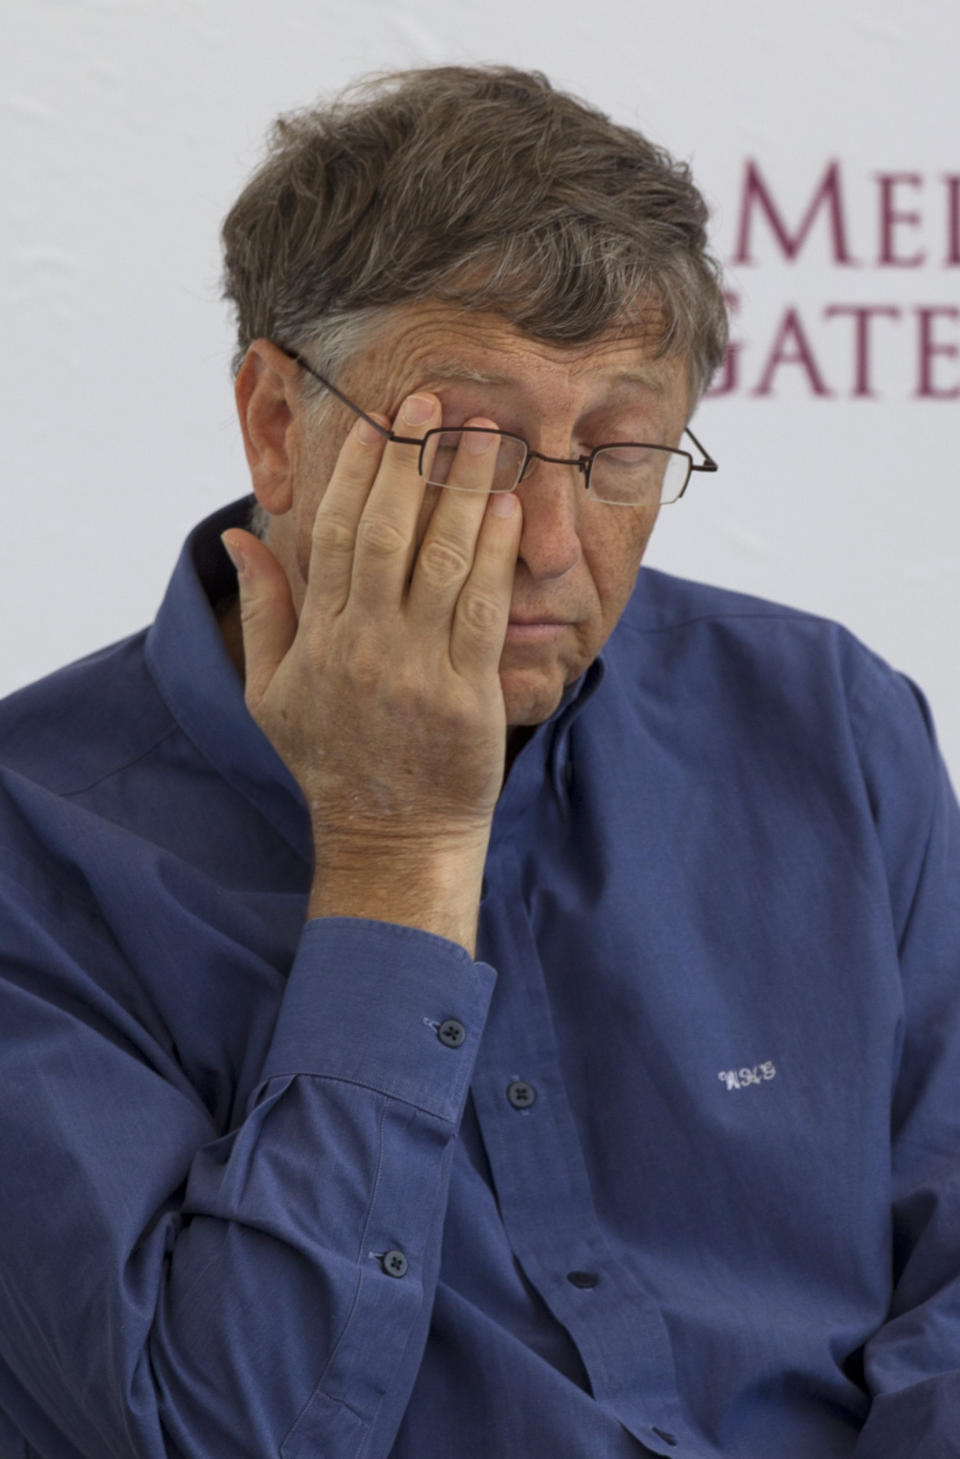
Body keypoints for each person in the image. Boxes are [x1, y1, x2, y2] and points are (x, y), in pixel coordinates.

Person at [0, 63, 957, 1459]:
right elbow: (223, 1433)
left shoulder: (830, 723)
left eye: (622, 451)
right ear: (279, 421)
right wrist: (399, 854)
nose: (551, 542)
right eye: (473, 446)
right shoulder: (33, 845)